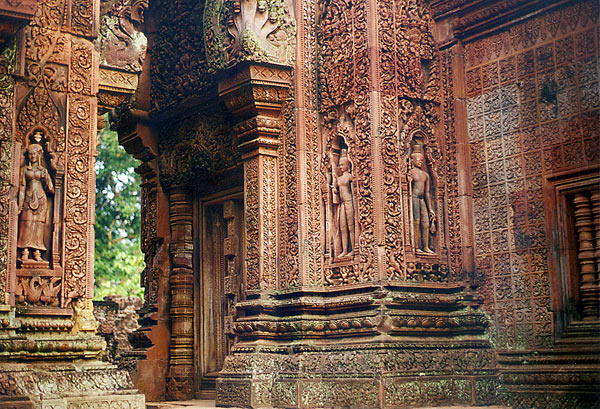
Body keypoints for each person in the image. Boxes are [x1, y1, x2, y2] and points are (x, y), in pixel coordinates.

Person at [17, 140, 54, 263]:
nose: (32, 157)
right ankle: (25, 251)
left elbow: (51, 190)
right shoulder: (24, 170)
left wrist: (46, 180)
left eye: (34, 154)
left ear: (39, 155)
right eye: (30, 154)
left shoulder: (43, 171)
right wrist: (20, 205)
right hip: (28, 198)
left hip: (41, 198)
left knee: (39, 225)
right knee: (26, 224)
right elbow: (21, 188)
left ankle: (37, 252)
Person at [408, 151, 435, 254]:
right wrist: (409, 181)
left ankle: (426, 246)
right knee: (416, 222)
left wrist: (430, 209)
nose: (421, 162)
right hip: (414, 198)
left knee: (426, 223)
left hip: (422, 199)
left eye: (422, 160)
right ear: (413, 160)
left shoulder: (425, 175)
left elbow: (427, 193)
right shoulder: (411, 172)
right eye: (418, 160)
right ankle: (416, 246)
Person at [333, 154, 355, 258]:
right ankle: (345, 250)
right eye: (339, 165)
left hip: (349, 202)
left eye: (342, 165)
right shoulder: (339, 179)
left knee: (351, 226)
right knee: (342, 227)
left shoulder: (350, 177)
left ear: (347, 165)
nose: (340, 167)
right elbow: (336, 191)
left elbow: (354, 191)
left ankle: (354, 248)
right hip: (342, 204)